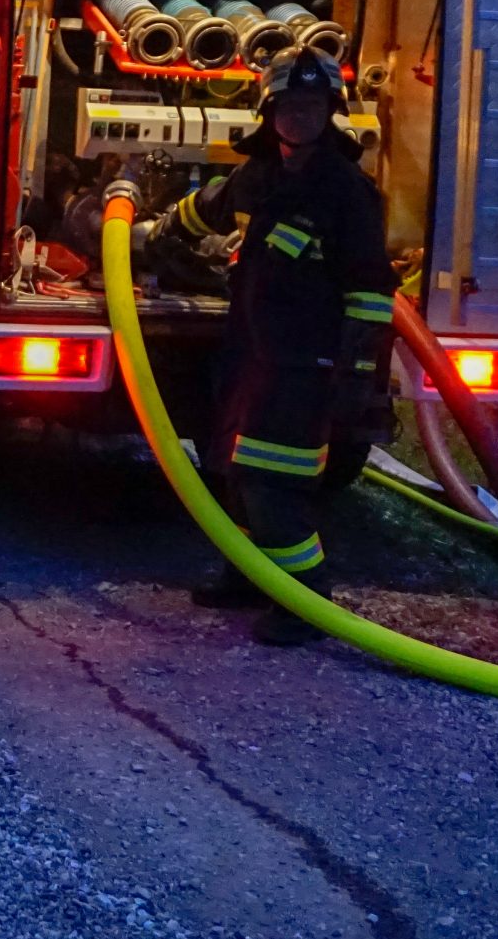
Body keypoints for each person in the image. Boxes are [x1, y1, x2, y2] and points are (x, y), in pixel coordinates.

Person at [149, 46, 394, 645]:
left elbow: (370, 292)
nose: (300, 117)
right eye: (290, 106)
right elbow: (204, 210)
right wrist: (161, 234)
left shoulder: (346, 191)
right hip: (253, 356)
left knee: (271, 484)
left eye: (312, 106)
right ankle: (248, 575)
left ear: (331, 112)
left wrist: (357, 374)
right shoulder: (259, 175)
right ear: (270, 111)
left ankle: (306, 601)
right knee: (232, 469)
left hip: (305, 365)